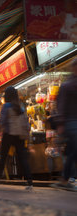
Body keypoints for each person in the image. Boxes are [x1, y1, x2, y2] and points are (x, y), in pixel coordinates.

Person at [0, 87, 33, 190]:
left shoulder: (6, 106)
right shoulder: (20, 106)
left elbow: (2, 121)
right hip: (19, 135)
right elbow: (26, 121)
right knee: (22, 158)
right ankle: (29, 180)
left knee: (3, 157)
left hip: (8, 134)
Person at [53, 58, 77, 191]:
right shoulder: (67, 86)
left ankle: (64, 179)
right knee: (74, 150)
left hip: (72, 123)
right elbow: (61, 106)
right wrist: (61, 124)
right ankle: (65, 179)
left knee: (73, 151)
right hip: (71, 123)